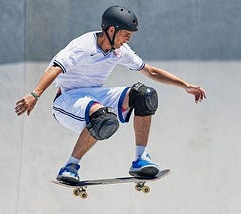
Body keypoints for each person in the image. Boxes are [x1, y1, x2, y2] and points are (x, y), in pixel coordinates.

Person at [15, 5, 206, 184]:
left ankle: (141, 159)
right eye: (125, 34)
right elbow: (57, 68)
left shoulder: (120, 51)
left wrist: (185, 85)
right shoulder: (83, 46)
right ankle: (70, 166)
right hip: (67, 100)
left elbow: (150, 71)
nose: (127, 40)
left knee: (144, 95)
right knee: (103, 117)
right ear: (111, 30)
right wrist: (35, 94)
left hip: (95, 96)